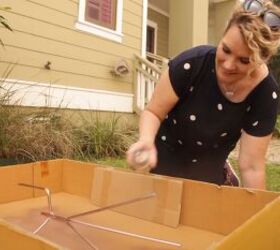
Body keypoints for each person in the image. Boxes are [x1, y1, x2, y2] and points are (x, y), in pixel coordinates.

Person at [127, 0, 280, 189]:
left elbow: (251, 167)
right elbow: (153, 112)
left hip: (209, 175)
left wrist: (259, 214)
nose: (228, 65)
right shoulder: (191, 64)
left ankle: (225, 174)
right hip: (162, 160)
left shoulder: (265, 94)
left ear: (262, 59)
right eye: (225, 49)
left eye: (243, 60)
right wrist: (146, 141)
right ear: (223, 35)